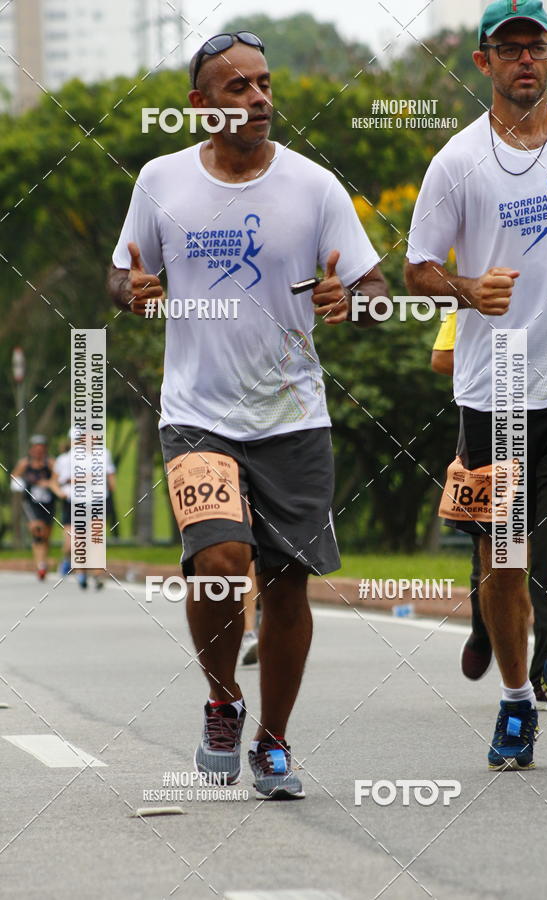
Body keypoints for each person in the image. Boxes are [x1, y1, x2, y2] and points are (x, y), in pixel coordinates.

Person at [108, 31, 387, 799]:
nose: (259, 99)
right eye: (238, 88)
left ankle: (272, 742)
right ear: (200, 105)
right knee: (222, 565)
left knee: (288, 584)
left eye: (264, 85)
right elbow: (122, 273)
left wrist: (349, 304)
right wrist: (131, 289)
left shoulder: (315, 187)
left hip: (292, 414)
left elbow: (375, 293)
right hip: (197, 411)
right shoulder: (162, 180)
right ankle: (222, 698)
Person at [406, 0, 547, 770]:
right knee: (506, 558)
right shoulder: (457, 161)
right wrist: (464, 290)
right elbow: (418, 267)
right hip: (494, 391)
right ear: (483, 62)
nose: (525, 58)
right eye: (508, 47)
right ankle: (518, 700)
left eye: (536, 45)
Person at [432, 313, 547, 710]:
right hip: (490, 417)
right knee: (494, 549)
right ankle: (483, 629)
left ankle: (546, 673)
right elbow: (442, 357)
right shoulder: (480, 292)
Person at [52, 428, 116, 590]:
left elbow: (109, 476)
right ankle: (79, 571)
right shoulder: (68, 458)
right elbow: (59, 481)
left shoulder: (103, 454)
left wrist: (109, 486)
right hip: (76, 502)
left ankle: (97, 575)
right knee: (76, 541)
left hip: (98, 500)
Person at [11, 435, 56, 580]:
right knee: (37, 530)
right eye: (36, 449)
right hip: (31, 503)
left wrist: (48, 483)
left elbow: (58, 479)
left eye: (41, 449)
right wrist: (20, 483)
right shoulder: (24, 464)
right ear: (31, 450)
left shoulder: (50, 463)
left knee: (46, 535)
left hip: (48, 503)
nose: (38, 452)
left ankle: (42, 561)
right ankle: (41, 566)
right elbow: (14, 477)